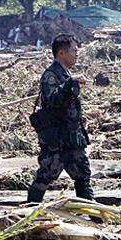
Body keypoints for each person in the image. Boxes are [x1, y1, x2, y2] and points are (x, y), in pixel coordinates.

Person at [27, 34, 94, 203]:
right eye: (74, 50)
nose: (77, 54)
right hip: (56, 141)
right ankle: (28, 213)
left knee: (83, 176)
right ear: (62, 53)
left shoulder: (65, 75)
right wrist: (70, 83)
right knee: (45, 177)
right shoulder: (51, 75)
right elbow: (53, 99)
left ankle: (95, 218)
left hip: (72, 140)